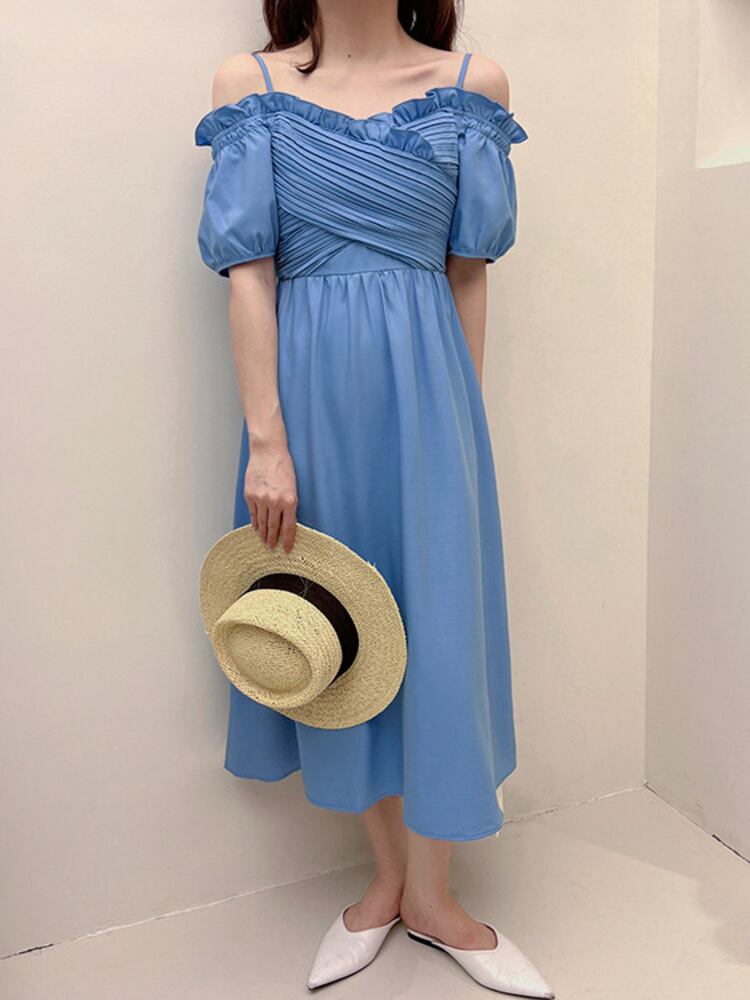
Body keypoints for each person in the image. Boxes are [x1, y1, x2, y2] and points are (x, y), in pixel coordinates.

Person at [195, 1, 553, 994]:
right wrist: (268, 442)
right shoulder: (250, 86)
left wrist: (458, 425)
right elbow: (249, 276)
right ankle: (389, 878)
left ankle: (435, 897)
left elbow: (468, 275)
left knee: (435, 632)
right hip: (308, 410)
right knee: (339, 632)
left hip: (432, 405)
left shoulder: (472, 87)